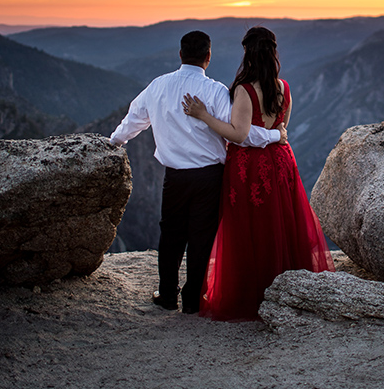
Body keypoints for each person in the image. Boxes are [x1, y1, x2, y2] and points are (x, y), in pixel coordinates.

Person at [109, 31, 287, 315]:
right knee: (201, 238)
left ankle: (167, 294)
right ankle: (192, 299)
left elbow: (133, 121)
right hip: (209, 177)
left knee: (170, 235)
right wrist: (274, 136)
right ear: (208, 56)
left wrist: (113, 143)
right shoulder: (215, 91)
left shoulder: (158, 86)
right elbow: (240, 133)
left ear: (180, 55)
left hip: (175, 176)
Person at [183, 26, 334, 321]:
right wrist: (273, 136)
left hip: (248, 167)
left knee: (249, 228)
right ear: (273, 53)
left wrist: (204, 116)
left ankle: (253, 293)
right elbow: (281, 129)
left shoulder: (245, 89)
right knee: (282, 223)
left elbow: (238, 134)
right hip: (280, 163)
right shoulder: (283, 87)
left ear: (247, 53)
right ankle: (289, 287)